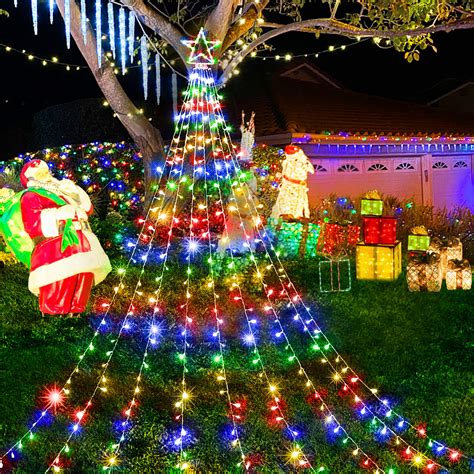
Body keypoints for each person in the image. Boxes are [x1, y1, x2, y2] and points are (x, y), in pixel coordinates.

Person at [12, 159, 111, 316]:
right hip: (56, 244)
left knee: (84, 275)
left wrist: (74, 191)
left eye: (46, 171)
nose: (45, 175)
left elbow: (87, 208)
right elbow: (32, 223)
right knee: (60, 279)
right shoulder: (31, 195)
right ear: (30, 178)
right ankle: (56, 312)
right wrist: (58, 214)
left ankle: (77, 310)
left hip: (82, 239)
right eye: (40, 173)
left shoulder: (62, 191)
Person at [270, 145, 314, 220]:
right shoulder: (286, 162)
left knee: (298, 203)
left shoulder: (303, 162)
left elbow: (311, 170)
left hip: (299, 187)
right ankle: (286, 215)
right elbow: (284, 173)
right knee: (286, 202)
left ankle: (297, 216)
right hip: (288, 186)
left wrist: (305, 160)